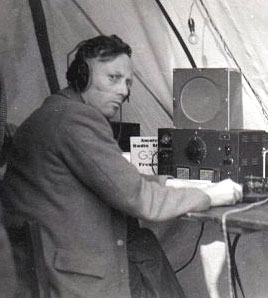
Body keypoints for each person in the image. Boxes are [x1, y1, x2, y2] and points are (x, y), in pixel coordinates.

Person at [0, 34, 242, 298]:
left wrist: (169, 183)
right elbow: (140, 199)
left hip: (43, 264)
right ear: (82, 75)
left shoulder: (51, 113)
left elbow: (115, 178)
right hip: (73, 278)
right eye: (113, 78)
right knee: (148, 259)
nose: (124, 91)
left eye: (128, 83)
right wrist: (210, 195)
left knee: (145, 251)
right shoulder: (76, 119)